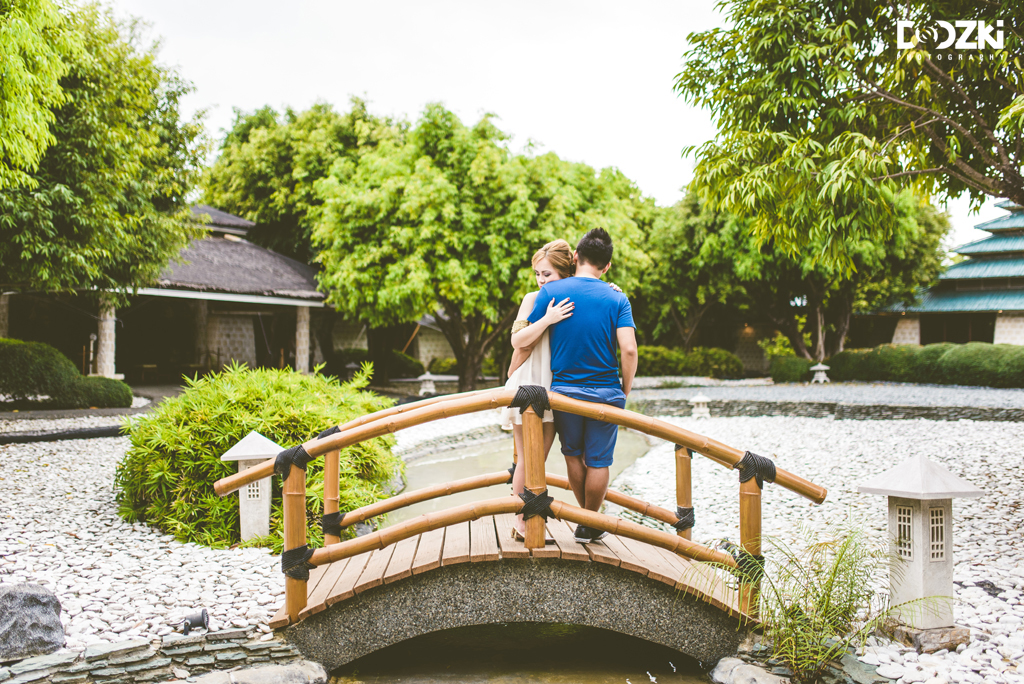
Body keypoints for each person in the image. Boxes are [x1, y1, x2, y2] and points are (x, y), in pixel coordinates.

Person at [520, 228, 638, 544]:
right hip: (606, 392)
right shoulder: (617, 297)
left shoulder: (552, 291)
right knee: (598, 460)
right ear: (608, 266)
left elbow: (525, 340)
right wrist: (624, 389)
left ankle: (585, 520)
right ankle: (589, 523)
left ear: (575, 257)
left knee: (573, 454)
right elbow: (628, 349)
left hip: (564, 393)